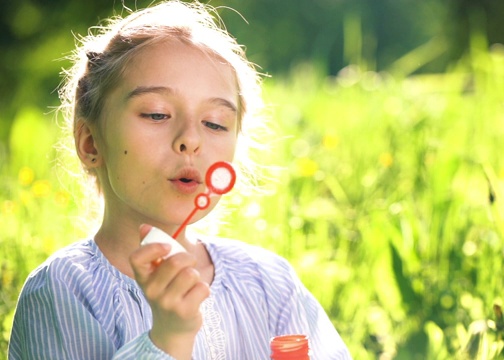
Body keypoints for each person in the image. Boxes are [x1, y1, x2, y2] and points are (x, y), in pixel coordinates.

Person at [8, 1, 351, 359]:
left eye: (215, 122)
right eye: (157, 114)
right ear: (91, 142)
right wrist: (167, 340)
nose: (192, 138)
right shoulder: (63, 289)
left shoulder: (270, 283)